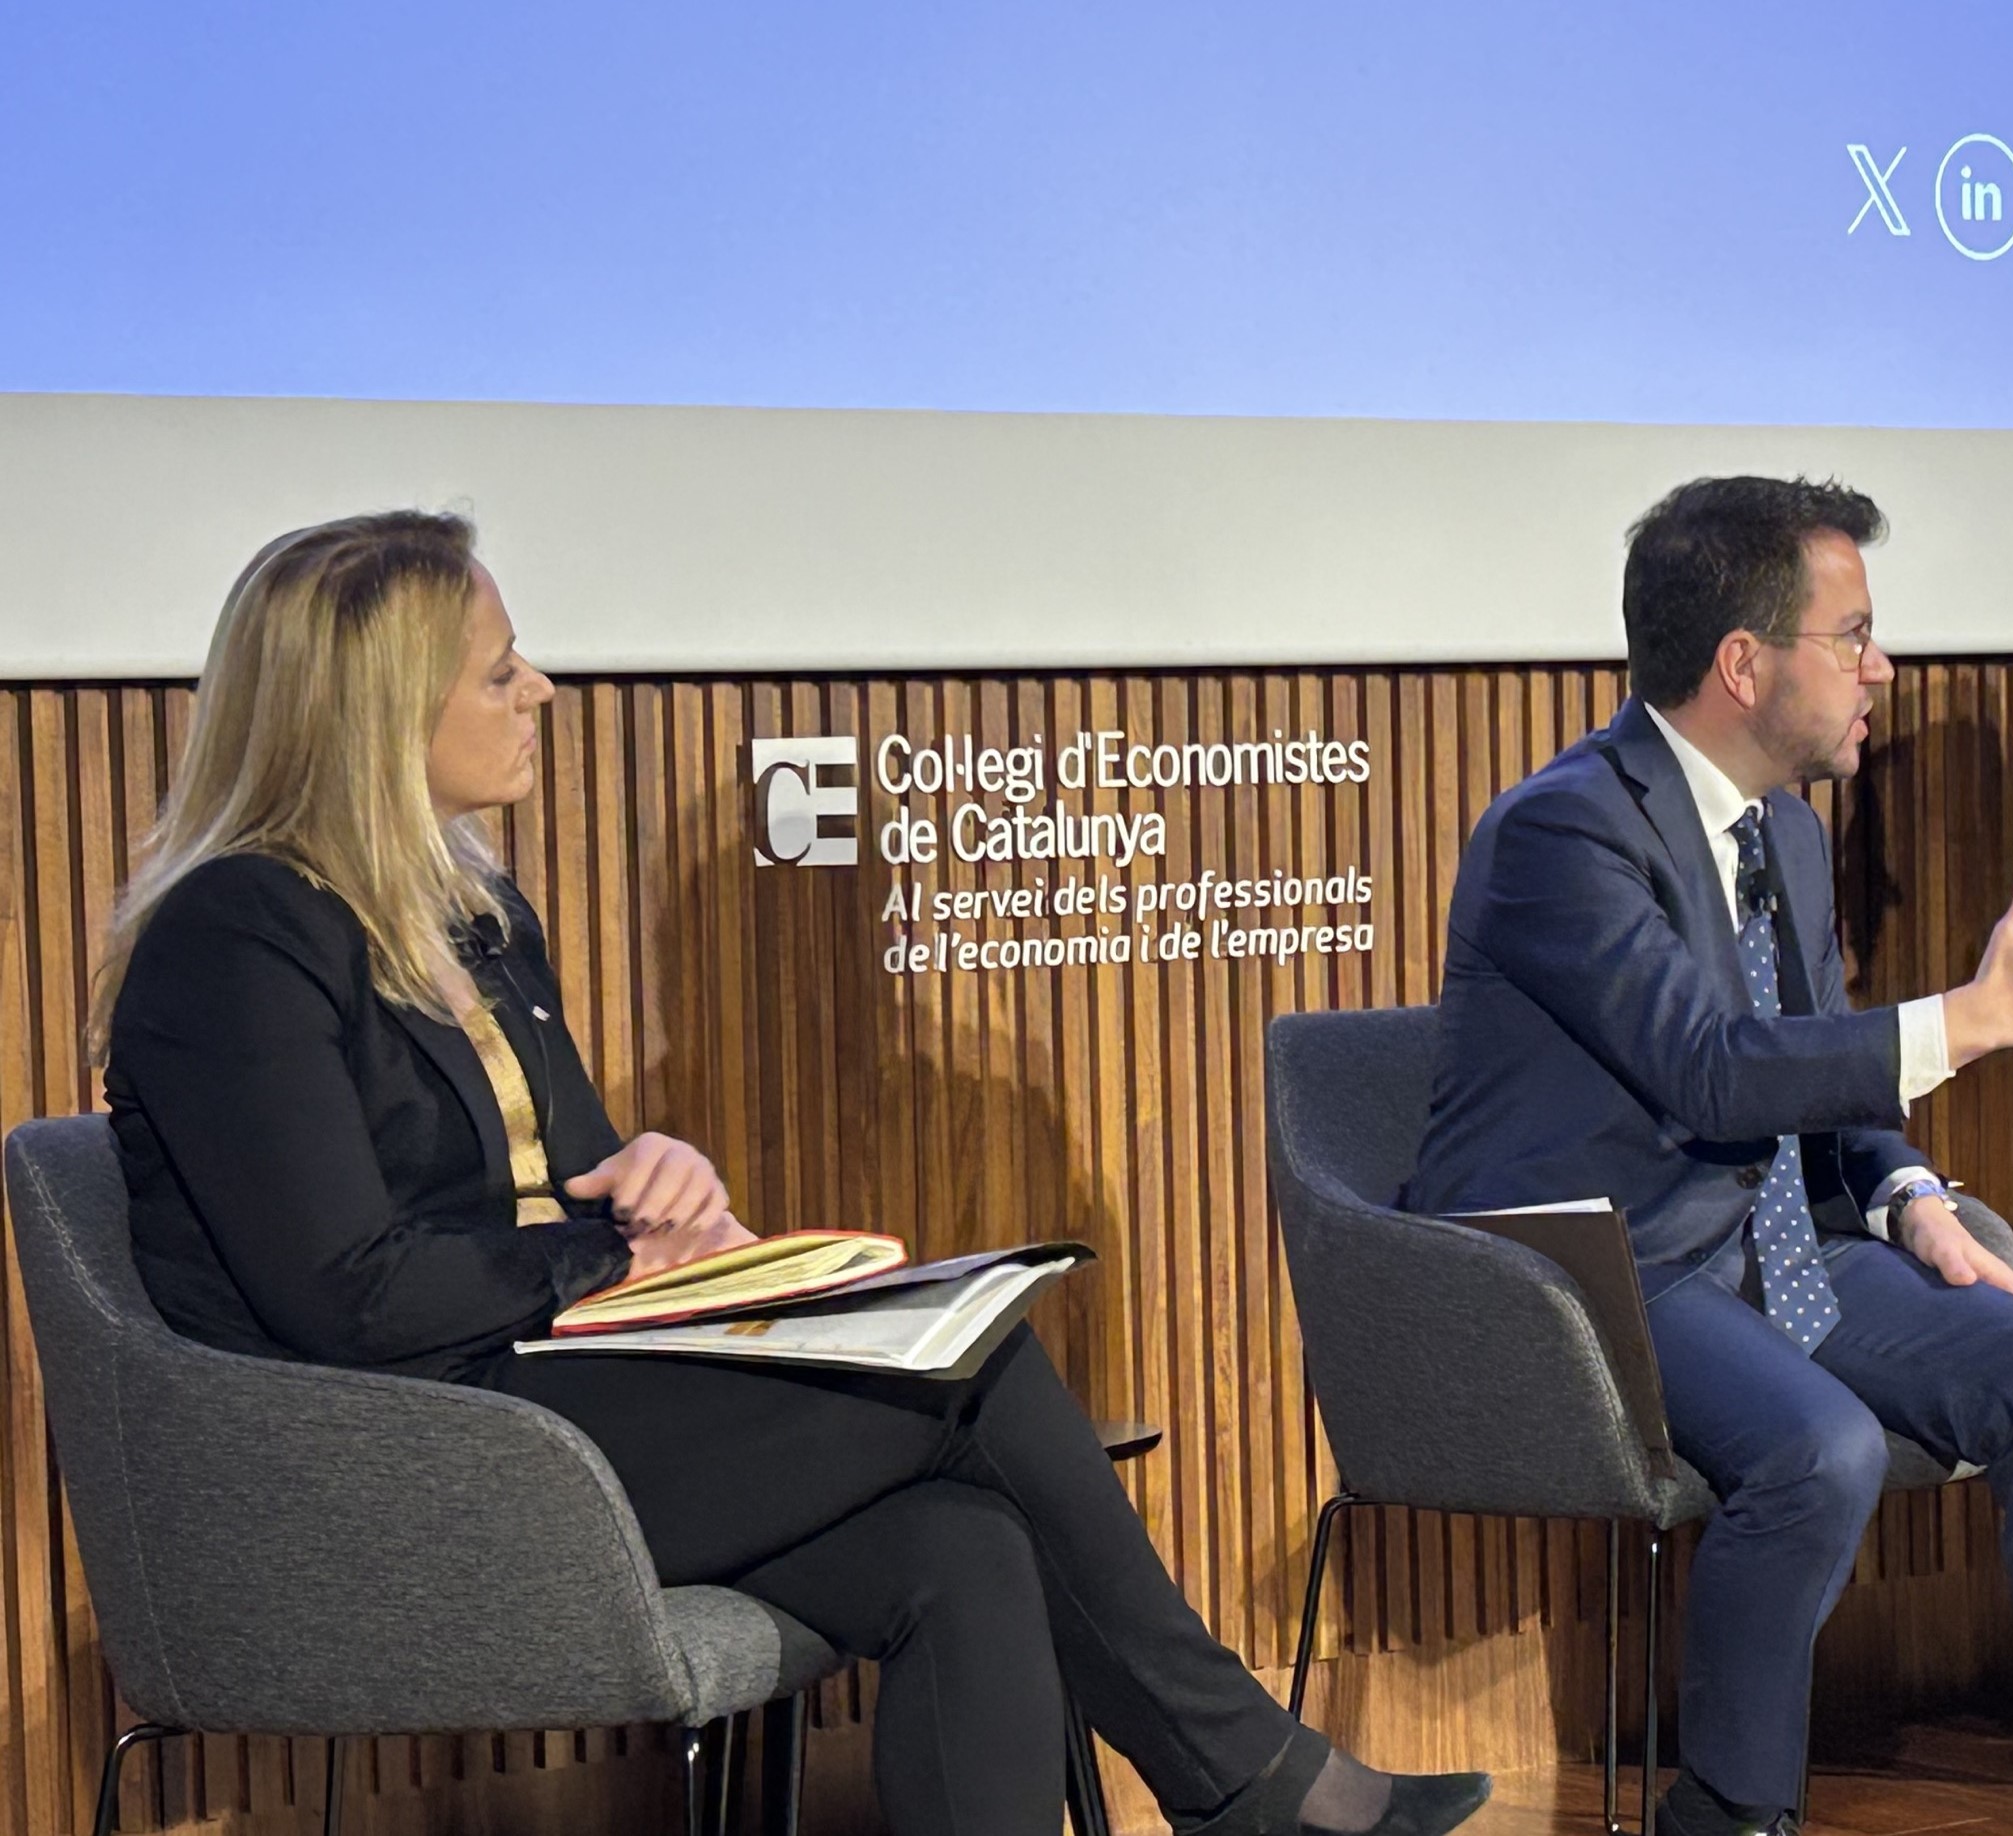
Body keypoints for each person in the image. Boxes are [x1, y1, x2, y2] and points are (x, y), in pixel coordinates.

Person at [92, 510, 1490, 1836]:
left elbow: (572, 1182)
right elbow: (345, 1295)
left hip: (537, 1393)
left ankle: (1245, 1783)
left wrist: (658, 1183)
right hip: (395, 1463)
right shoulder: (236, 940)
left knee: (961, 1549)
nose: (545, 689)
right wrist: (602, 1256)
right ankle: (1245, 1779)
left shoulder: (474, 912)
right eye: (500, 670)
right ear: (377, 715)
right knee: (974, 1373)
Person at [1405, 477, 2013, 1836]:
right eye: (1854, 635)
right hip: (1606, 1265)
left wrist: (1907, 1191)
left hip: (1773, 1250)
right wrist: (1977, 1018)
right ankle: (1724, 1807)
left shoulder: (1783, 826)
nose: (1879, 667)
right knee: (1819, 1446)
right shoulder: (1563, 831)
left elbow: (1816, 1056)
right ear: (1743, 663)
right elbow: (1710, 1064)